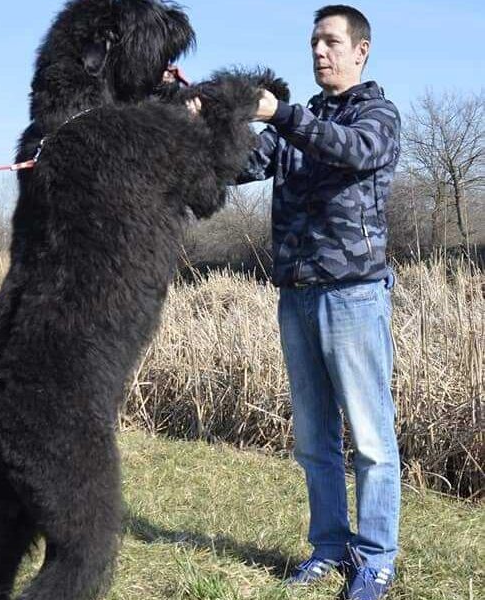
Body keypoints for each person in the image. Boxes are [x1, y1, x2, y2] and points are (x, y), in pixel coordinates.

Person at [237, 5, 401, 600]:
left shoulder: (376, 114)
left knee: (370, 440)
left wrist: (280, 113)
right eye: (313, 43)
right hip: (297, 295)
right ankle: (329, 547)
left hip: (354, 296)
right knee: (313, 439)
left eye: (332, 42)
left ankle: (377, 557)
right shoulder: (293, 127)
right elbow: (237, 165)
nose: (320, 52)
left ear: (361, 50)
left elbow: (352, 150)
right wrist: (200, 119)